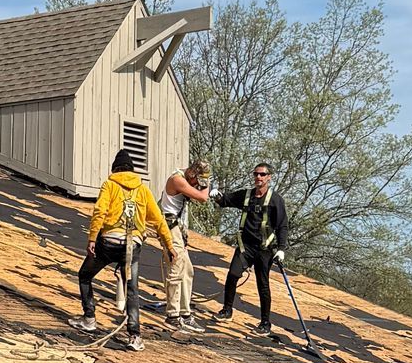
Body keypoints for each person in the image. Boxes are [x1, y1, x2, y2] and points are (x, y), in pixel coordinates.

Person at [74, 149, 174, 352]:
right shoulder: (143, 191)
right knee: (132, 289)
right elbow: (158, 220)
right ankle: (134, 336)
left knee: (85, 275)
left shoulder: (109, 185)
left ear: (115, 169)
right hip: (132, 246)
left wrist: (92, 238)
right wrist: (169, 245)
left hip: (109, 241)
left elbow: (100, 211)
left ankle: (89, 318)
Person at [214, 160, 289, 334]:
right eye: (256, 174)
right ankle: (227, 310)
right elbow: (226, 200)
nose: (258, 177)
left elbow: (283, 225)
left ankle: (265, 323)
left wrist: (281, 248)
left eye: (262, 174)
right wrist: (216, 195)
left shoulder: (276, 200)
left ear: (269, 177)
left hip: (264, 249)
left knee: (262, 284)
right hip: (245, 246)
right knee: (232, 275)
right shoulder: (246, 195)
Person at [159, 158, 214, 330]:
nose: (199, 185)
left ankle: (185, 312)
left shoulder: (186, 178)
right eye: (198, 181)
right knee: (176, 268)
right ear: (192, 174)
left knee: (187, 270)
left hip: (178, 228)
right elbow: (203, 198)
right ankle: (173, 315)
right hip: (169, 227)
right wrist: (208, 185)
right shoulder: (177, 180)